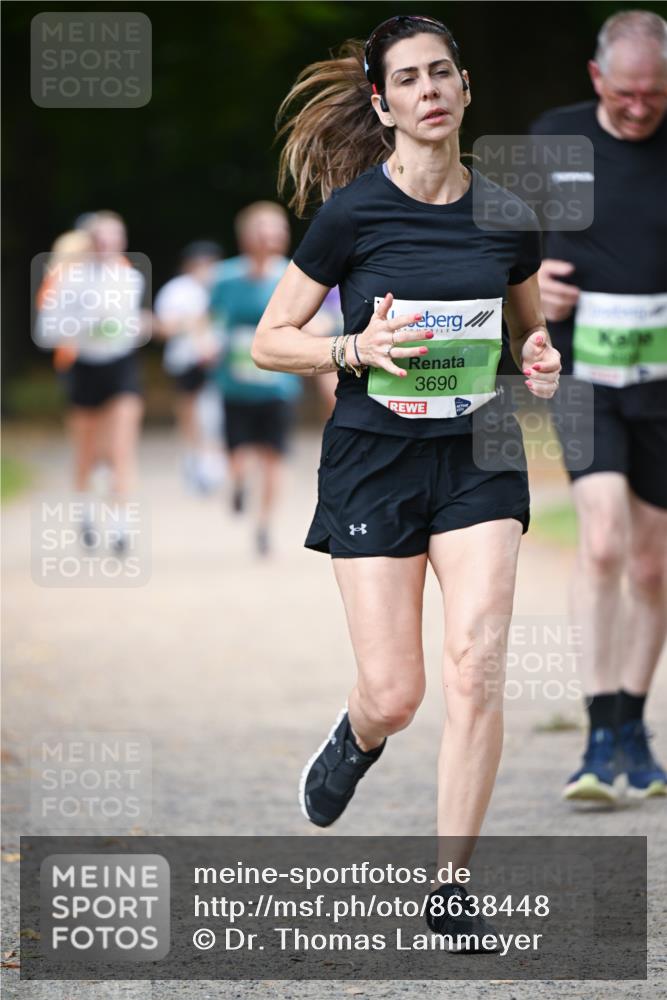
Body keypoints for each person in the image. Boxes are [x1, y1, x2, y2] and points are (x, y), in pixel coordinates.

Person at [253, 14, 560, 937]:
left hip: (476, 458)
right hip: (374, 458)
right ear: (383, 104)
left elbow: (528, 330)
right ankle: (358, 735)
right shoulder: (351, 213)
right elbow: (270, 342)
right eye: (409, 80)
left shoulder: (509, 213)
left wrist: (539, 357)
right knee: (399, 691)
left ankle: (450, 885)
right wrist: (353, 346)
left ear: (465, 89)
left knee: (476, 667)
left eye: (442, 75)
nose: (429, 91)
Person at [531, 10, 667, 803]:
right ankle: (593, 731)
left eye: (653, 93)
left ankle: (632, 726)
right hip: (581, 375)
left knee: (651, 564)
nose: (640, 107)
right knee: (604, 538)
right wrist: (532, 287)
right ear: (595, 80)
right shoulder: (553, 139)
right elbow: (499, 244)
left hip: (661, 383)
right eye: (624, 93)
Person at [37, 211, 147, 553]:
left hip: (121, 369)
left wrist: (135, 326)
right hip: (84, 368)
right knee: (86, 453)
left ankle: (120, 528)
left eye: (114, 237)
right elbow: (47, 330)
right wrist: (87, 323)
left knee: (119, 450)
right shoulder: (68, 279)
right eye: (100, 238)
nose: (107, 244)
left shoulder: (130, 278)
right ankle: (85, 512)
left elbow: (132, 326)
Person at [209, 202, 302, 556]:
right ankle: (237, 483)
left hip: (277, 383)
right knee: (238, 455)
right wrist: (208, 343)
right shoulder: (225, 278)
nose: (271, 235)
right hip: (234, 383)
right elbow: (209, 320)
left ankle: (264, 525)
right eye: (263, 227)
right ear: (246, 235)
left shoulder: (293, 276)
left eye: (276, 227)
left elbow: (315, 318)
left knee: (274, 457)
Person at [154, 241, 224, 493]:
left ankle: (211, 460)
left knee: (215, 411)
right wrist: (194, 324)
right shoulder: (177, 291)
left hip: (217, 359)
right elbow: (164, 327)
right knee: (191, 412)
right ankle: (194, 459)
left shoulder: (219, 287)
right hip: (187, 360)